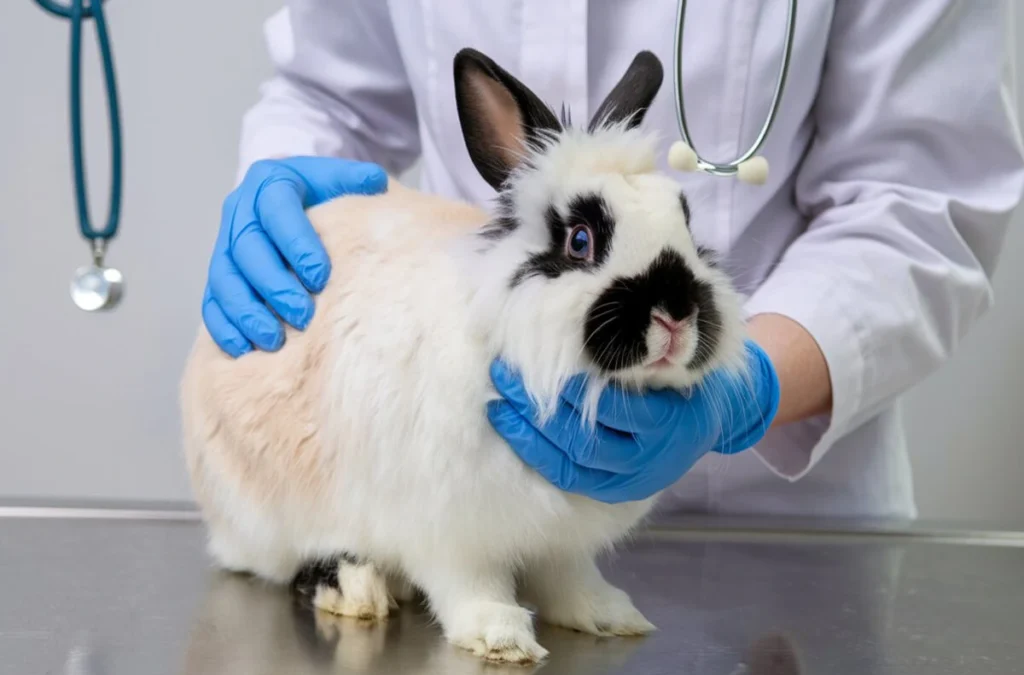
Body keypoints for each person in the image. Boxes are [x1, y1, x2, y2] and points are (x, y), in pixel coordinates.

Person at [202, 1, 1024, 519]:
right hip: (466, 461)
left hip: (769, 524)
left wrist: (743, 389)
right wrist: (293, 196)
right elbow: (329, 93)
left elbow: (919, 195)